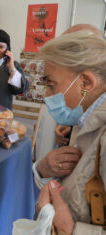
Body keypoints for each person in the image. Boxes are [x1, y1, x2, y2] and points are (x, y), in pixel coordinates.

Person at [33, 30, 106, 234]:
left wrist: (70, 230)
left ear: (85, 84)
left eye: (51, 85)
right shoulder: (87, 125)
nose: (47, 95)